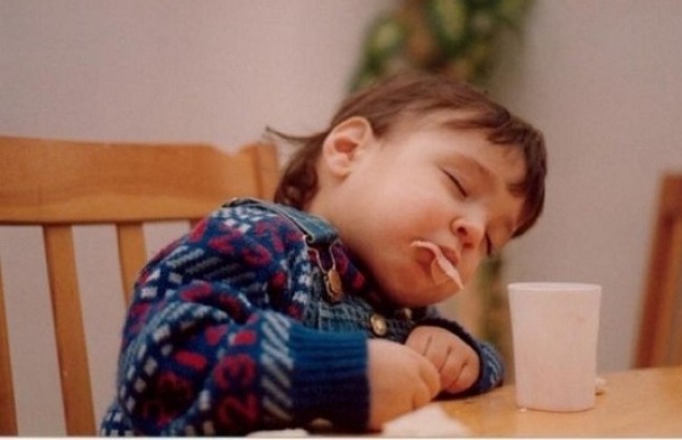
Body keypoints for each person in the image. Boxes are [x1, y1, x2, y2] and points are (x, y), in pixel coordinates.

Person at [100, 72, 547, 436]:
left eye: (490, 241)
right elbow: (161, 364)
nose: (473, 231)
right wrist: (338, 373)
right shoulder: (255, 240)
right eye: (458, 184)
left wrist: (464, 359)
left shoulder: (404, 310)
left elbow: (487, 367)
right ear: (348, 150)